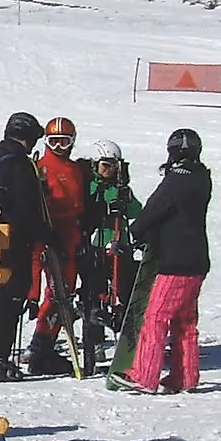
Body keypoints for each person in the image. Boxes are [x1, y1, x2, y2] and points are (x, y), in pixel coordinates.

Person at [110, 128, 210, 394]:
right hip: (197, 260)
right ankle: (185, 376)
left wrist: (134, 235)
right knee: (185, 322)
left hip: (175, 260)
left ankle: (144, 375)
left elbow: (155, 209)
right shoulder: (202, 177)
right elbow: (175, 212)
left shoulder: (176, 179)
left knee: (156, 317)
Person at [0, 112, 51, 379]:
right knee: (8, 301)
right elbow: (27, 212)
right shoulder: (20, 165)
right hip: (12, 244)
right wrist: (46, 236)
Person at [23, 117, 88, 376]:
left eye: (65, 141)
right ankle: (39, 348)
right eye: (54, 142)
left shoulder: (75, 169)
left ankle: (46, 343)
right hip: (49, 236)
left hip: (71, 238)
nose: (60, 147)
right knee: (50, 292)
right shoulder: (42, 168)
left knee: (64, 294)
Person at [82, 139, 143, 362]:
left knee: (126, 292)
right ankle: (95, 341)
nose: (110, 170)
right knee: (95, 295)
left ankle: (127, 340)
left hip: (121, 245)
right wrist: (104, 208)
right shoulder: (91, 186)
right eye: (105, 165)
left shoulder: (121, 187)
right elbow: (85, 211)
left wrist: (125, 201)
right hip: (98, 246)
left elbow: (137, 211)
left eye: (114, 165)